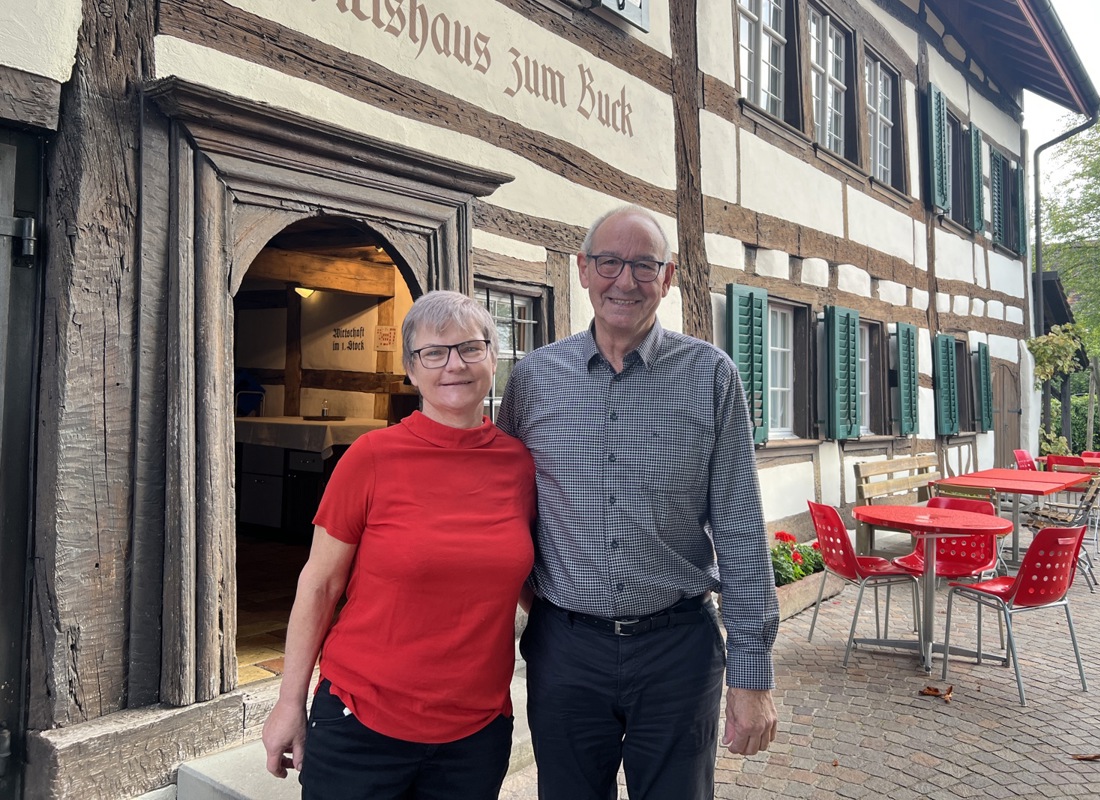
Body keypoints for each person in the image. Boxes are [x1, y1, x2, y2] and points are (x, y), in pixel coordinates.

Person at [496, 205, 779, 799]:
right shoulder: (534, 379)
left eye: (643, 266)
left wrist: (750, 676)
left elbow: (741, 532)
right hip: (566, 651)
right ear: (582, 270)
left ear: (667, 277)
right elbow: (505, 508)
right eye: (608, 262)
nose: (624, 280)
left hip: (678, 652)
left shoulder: (711, 376)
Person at [262, 290, 536, 800]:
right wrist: (288, 702)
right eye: (434, 352)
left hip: (474, 734)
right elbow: (319, 586)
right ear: (412, 369)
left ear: (493, 358)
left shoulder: (519, 466)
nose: (454, 364)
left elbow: (530, 581)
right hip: (361, 721)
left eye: (470, 348)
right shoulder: (371, 457)